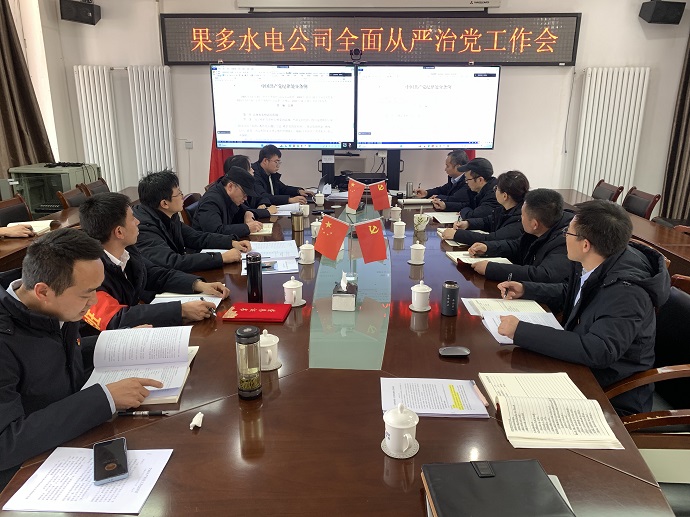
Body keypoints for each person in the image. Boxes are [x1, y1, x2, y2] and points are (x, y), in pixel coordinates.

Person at [0, 229, 163, 488]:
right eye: (86, 294)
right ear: (43, 292)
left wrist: (119, 340)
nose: (94, 301)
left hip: (69, 435)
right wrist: (105, 398)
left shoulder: (53, 306)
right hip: (26, 476)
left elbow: (56, 351)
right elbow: (6, 443)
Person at [496, 200, 671, 416]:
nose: (564, 238)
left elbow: (599, 350)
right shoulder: (601, 259)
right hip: (582, 369)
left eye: (567, 233)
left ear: (585, 245)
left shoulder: (627, 292)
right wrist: (526, 289)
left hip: (611, 393)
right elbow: (574, 294)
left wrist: (521, 331)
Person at [79, 192, 229, 333]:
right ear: (119, 232)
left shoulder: (127, 250)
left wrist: (198, 285)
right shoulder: (87, 273)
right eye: (132, 218)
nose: (138, 222)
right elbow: (116, 317)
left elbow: (155, 274)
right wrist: (181, 310)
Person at [134, 171, 251, 272]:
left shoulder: (168, 214)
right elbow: (172, 261)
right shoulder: (143, 228)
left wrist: (231, 242)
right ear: (164, 203)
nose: (182, 196)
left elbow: (195, 237)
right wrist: (221, 258)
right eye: (179, 193)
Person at [468, 188, 573, 283]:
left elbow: (542, 275)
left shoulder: (566, 240)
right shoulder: (545, 225)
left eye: (522, 215)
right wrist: (488, 248)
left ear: (535, 224)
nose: (520, 219)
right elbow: (518, 245)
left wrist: (491, 269)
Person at [440, 170, 529, 245]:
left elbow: (492, 238)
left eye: (496, 189)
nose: (494, 191)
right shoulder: (503, 209)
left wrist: (457, 235)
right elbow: (487, 221)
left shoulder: (520, 218)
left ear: (505, 196)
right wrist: (468, 224)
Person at [194, 166, 263, 238]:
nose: (245, 198)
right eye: (244, 193)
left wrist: (247, 213)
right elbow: (215, 232)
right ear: (230, 186)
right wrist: (247, 228)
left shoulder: (227, 195)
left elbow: (243, 209)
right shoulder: (210, 201)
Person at [432, 157, 500, 219]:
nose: (466, 182)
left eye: (468, 179)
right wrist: (445, 206)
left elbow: (474, 215)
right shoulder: (478, 190)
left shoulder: (494, 194)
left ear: (480, 180)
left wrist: (464, 211)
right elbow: (468, 205)